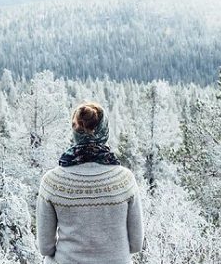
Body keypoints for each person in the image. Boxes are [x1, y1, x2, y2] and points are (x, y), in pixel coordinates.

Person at [36, 102, 144, 264]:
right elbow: (136, 244)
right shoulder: (125, 180)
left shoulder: (52, 181)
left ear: (75, 133)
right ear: (104, 131)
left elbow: (45, 247)